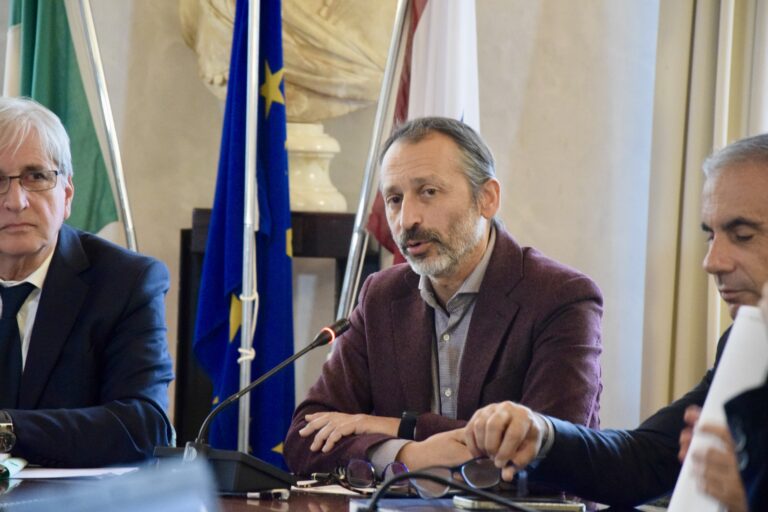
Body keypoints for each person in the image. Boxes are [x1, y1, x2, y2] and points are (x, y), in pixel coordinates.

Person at [462, 133, 768, 509]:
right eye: (711, 236)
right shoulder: (745, 342)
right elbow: (643, 460)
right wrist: (542, 435)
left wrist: (748, 500)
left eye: (742, 236)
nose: (712, 262)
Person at [283, 116, 603, 475]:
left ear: (487, 199)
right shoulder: (381, 297)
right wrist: (408, 455)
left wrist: (401, 427)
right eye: (394, 199)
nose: (407, 219)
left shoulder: (560, 297)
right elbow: (304, 438)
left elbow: (551, 454)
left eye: (429, 192)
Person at [0, 97, 174, 467]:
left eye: (36, 176)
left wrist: (8, 429)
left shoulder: (126, 283)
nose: (16, 201)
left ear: (66, 195)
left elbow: (146, 426)